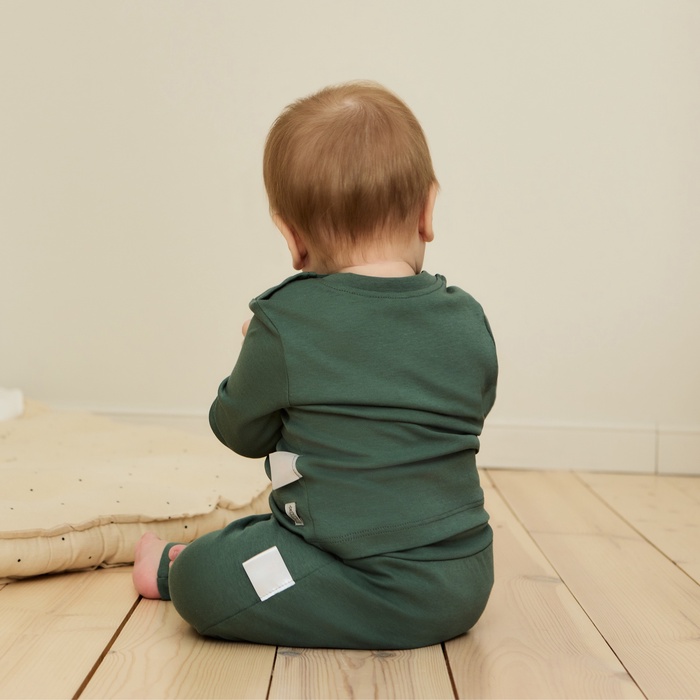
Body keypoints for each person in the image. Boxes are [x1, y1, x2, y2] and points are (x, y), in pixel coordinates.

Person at [133, 81, 498, 649]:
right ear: (428, 210)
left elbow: (238, 431)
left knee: (207, 576)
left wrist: (257, 355)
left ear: (292, 237)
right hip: (463, 583)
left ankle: (178, 566)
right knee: (281, 533)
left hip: (352, 571)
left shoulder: (285, 322)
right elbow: (472, 406)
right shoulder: (467, 316)